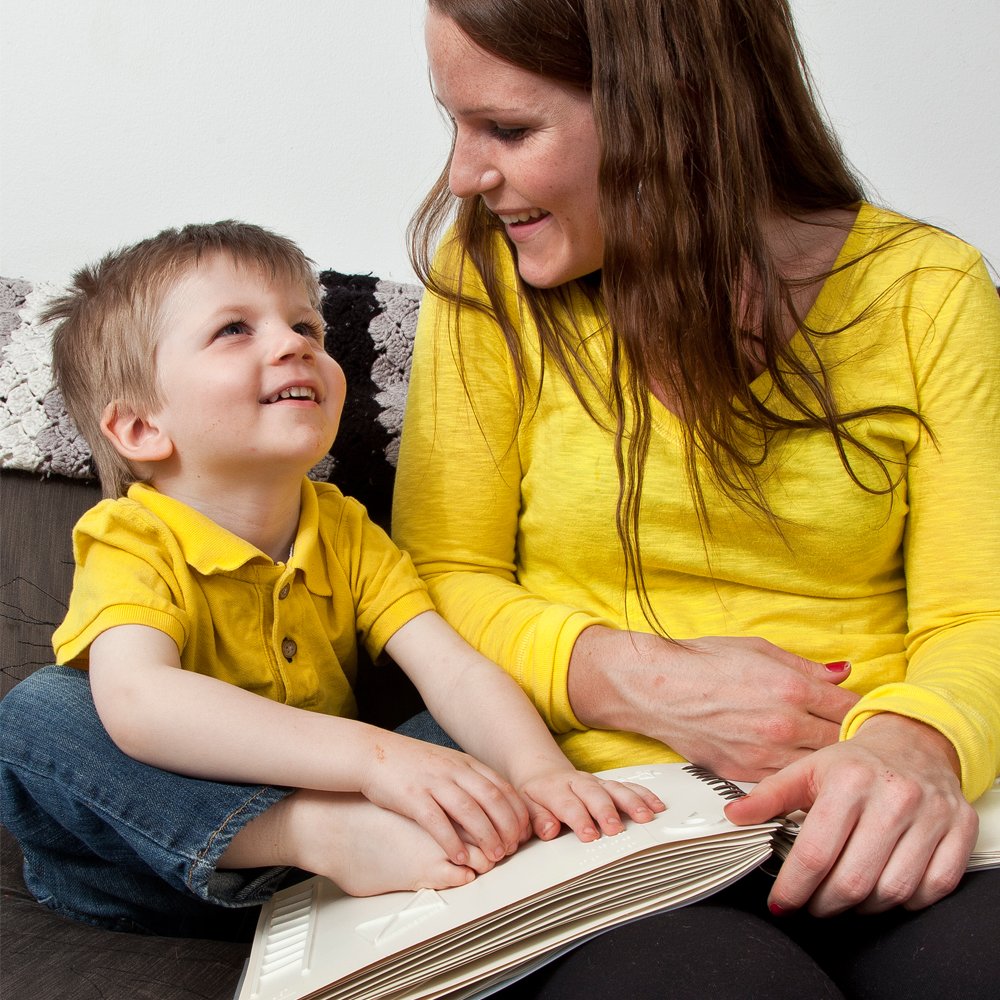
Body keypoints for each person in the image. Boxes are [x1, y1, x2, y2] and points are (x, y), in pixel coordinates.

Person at [392, 1, 1000, 996]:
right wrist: (630, 677)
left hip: (874, 811)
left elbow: (974, 607)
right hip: (619, 824)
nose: (464, 174)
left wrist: (915, 741)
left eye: (506, 129)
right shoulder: (486, 276)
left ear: (666, 108)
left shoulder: (927, 288)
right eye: (456, 124)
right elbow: (435, 576)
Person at [0, 220, 664, 939]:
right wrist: (370, 761)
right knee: (39, 713)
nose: (295, 345)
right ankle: (320, 837)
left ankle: (367, 846)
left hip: (367, 833)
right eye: (233, 330)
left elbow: (457, 672)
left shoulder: (343, 529)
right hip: (172, 858)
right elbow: (141, 703)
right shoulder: (131, 536)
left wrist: (538, 773)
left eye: (305, 326)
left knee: (472, 711)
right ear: (140, 430)